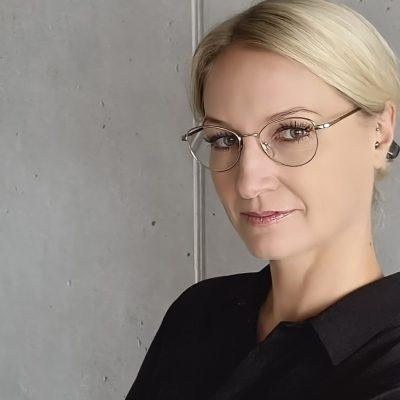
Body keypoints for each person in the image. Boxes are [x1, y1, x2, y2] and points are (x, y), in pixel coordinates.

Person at [126, 0, 400, 399]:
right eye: (224, 139)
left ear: (380, 132)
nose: (248, 182)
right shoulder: (198, 315)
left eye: (292, 131)